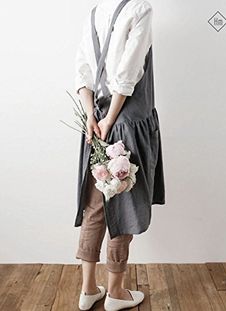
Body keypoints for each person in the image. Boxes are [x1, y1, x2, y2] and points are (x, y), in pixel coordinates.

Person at [74, 0, 166, 310]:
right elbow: (128, 74)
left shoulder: (93, 13)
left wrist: (92, 118)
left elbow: (82, 73)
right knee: (123, 209)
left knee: (94, 206)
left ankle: (88, 290)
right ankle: (116, 292)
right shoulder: (140, 9)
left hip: (95, 123)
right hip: (127, 123)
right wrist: (110, 120)